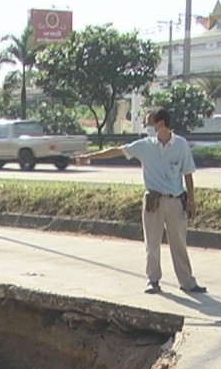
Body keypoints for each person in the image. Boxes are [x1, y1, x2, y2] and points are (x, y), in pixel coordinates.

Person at [76, 108, 205, 295]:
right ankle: (153, 280)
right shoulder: (145, 145)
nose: (147, 126)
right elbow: (117, 151)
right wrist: (89, 157)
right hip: (153, 201)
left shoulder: (181, 145)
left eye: (149, 122)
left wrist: (191, 201)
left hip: (175, 201)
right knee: (152, 243)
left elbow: (188, 174)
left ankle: (187, 282)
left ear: (160, 124)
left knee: (179, 243)